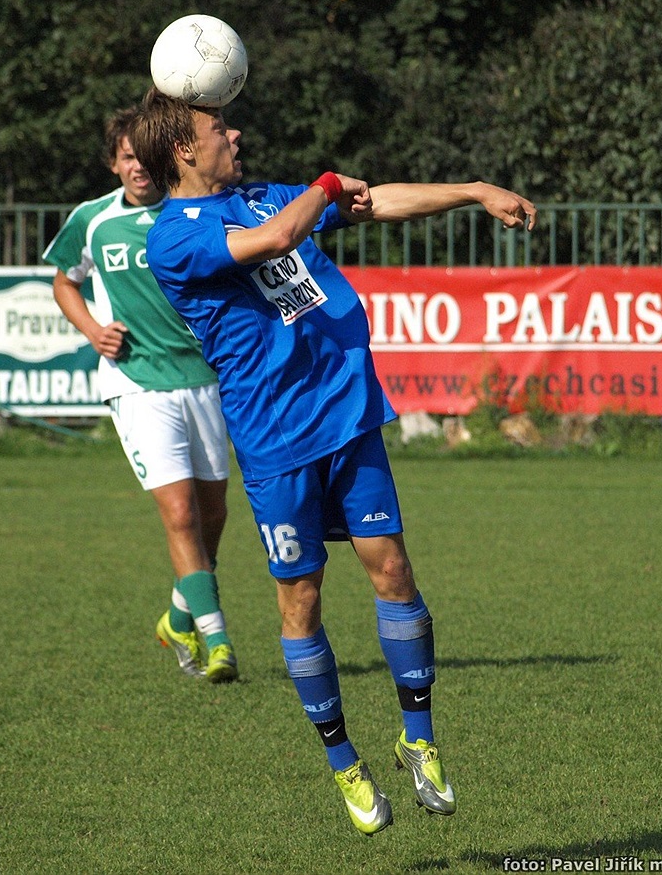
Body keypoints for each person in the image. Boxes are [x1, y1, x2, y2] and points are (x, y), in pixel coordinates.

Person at [131, 87, 537, 835]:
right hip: (277, 443)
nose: (236, 131)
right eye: (219, 125)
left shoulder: (267, 197)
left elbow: (372, 201)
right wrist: (321, 186)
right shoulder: (173, 235)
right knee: (302, 600)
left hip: (349, 420)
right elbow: (280, 240)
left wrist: (474, 191)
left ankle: (419, 739)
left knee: (393, 569)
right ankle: (344, 761)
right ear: (185, 150)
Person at [43, 107, 238, 683]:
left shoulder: (187, 215)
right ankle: (217, 639)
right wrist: (91, 330)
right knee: (179, 516)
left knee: (212, 515)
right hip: (137, 385)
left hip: (203, 377)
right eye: (126, 157)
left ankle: (179, 616)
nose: (136, 167)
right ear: (114, 163)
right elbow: (63, 279)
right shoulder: (93, 220)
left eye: (143, 157)